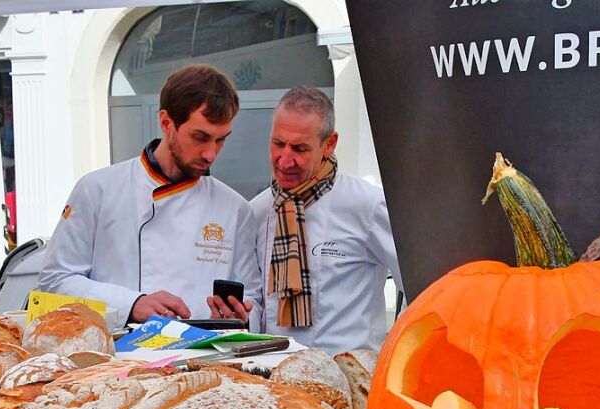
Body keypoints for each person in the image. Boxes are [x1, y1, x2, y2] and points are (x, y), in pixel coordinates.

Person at [39, 65, 259, 325]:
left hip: (203, 360)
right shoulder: (97, 190)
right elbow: (54, 284)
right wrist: (131, 304)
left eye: (221, 140)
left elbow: (253, 302)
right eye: (200, 137)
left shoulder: (235, 209)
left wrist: (238, 318)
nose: (211, 154)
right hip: (116, 360)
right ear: (166, 122)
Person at [230, 87, 403, 355]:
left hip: (351, 378)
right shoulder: (258, 210)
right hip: (278, 377)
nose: (285, 160)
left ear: (329, 144)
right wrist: (240, 313)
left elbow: (420, 289)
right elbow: (256, 304)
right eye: (278, 144)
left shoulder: (369, 206)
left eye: (299, 148)